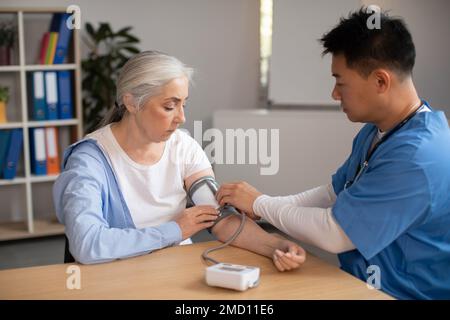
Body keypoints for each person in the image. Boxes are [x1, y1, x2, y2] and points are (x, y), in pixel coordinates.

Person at [216, 8, 450, 299]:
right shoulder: (382, 129)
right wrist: (265, 205)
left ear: (380, 81)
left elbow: (335, 233)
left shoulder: (417, 157)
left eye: (340, 82)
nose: (334, 94)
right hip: (358, 282)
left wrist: (262, 204)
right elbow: (333, 193)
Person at [53, 51, 305, 271]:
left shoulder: (183, 146)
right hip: (120, 278)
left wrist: (276, 245)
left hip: (176, 271)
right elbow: (87, 244)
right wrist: (175, 230)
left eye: (183, 104)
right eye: (169, 106)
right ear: (131, 102)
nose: (182, 117)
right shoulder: (89, 161)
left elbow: (221, 219)